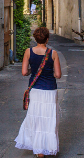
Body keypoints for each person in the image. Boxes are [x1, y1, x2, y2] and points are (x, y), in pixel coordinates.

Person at [14, 26, 62, 157]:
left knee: (36, 117)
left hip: (35, 89)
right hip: (50, 90)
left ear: (35, 38)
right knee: (49, 118)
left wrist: (32, 71)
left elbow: (24, 72)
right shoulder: (53, 53)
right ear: (47, 39)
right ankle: (47, 146)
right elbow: (58, 75)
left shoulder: (28, 52)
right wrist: (49, 72)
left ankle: (39, 150)